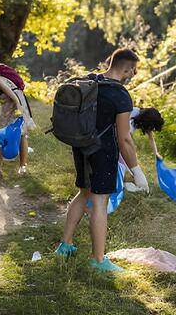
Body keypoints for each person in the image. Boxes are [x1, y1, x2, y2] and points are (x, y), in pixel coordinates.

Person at [54, 48, 149, 272]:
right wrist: (136, 170)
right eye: (133, 70)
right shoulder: (121, 95)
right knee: (99, 202)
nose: (133, 75)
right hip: (103, 152)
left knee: (83, 193)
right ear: (126, 68)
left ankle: (65, 245)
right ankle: (98, 261)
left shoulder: (90, 81)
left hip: (81, 146)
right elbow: (124, 138)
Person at [120, 107, 165, 192]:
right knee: (124, 166)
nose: (149, 130)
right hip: (117, 141)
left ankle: (126, 181)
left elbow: (151, 138)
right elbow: (123, 134)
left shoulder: (143, 119)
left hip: (123, 142)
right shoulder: (132, 112)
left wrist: (156, 153)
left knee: (128, 168)